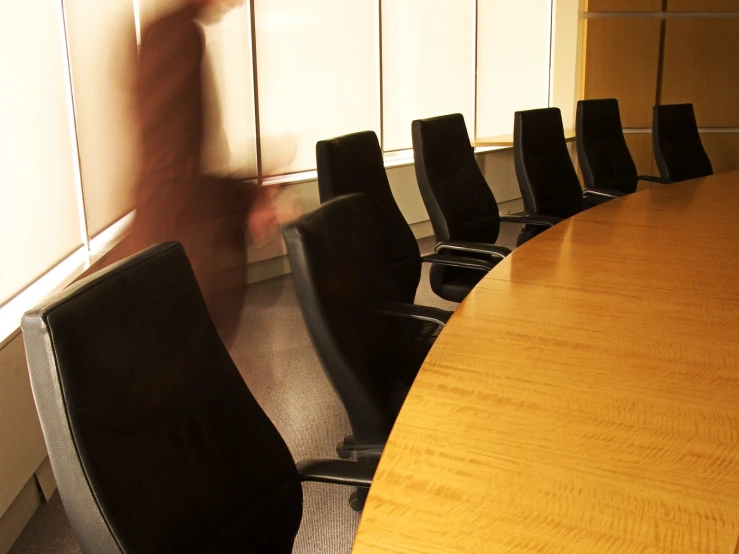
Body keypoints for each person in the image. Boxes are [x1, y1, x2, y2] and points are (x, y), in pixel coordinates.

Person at [118, 0, 278, 348]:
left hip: (175, 239)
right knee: (191, 373)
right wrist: (249, 197)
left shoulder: (167, 31)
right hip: (177, 243)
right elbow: (173, 169)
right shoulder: (176, 37)